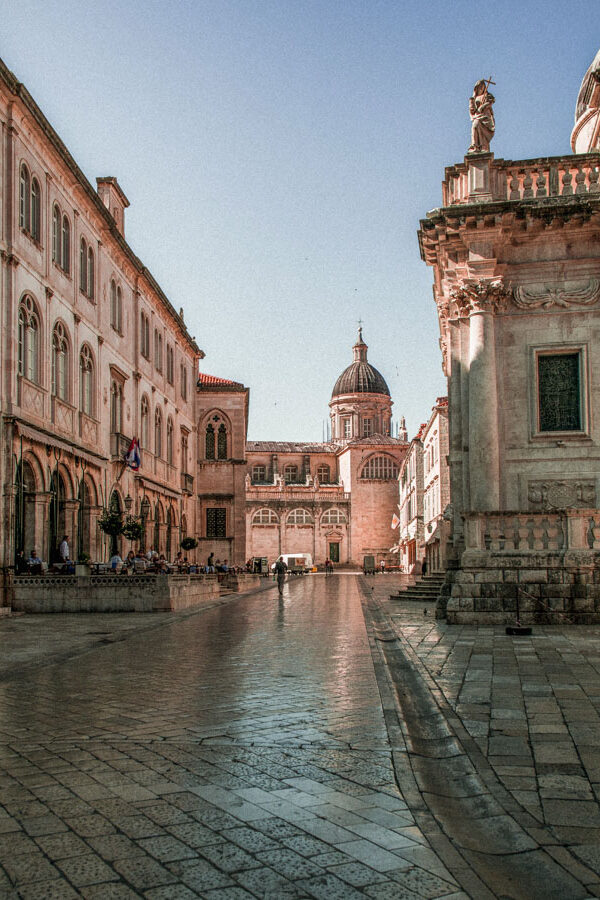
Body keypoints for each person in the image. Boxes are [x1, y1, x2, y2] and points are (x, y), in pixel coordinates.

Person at [468, 79, 495, 153]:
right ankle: (475, 145)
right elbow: (472, 110)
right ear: (476, 88)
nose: (481, 88)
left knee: (476, 125)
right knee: (475, 126)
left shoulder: (486, 95)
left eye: (482, 87)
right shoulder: (474, 98)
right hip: (477, 116)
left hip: (485, 117)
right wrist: (472, 105)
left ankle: (483, 146)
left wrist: (482, 107)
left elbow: (490, 101)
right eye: (480, 87)